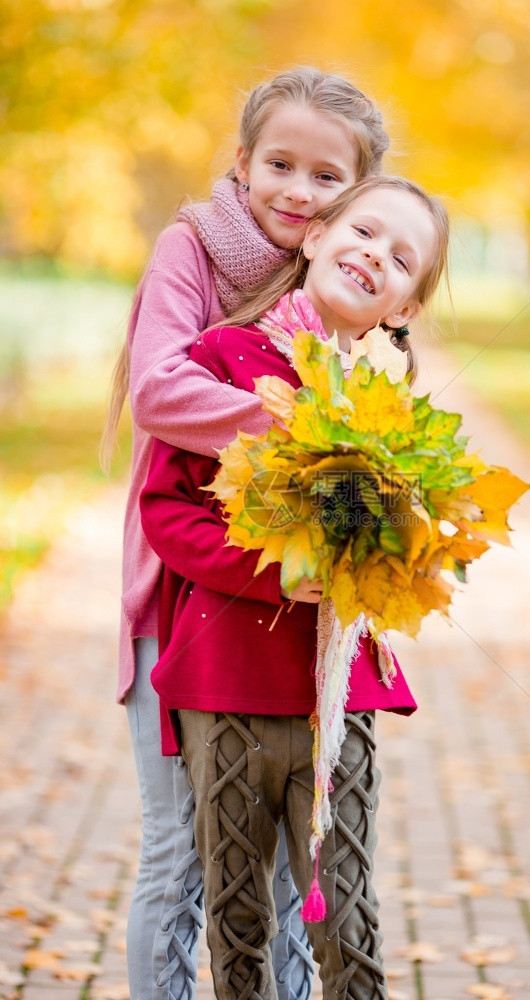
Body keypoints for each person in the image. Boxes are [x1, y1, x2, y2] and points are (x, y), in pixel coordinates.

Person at [101, 67, 390, 1000]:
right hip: (177, 593)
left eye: (326, 178)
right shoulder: (193, 250)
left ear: (360, 191)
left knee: (277, 864)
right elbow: (158, 391)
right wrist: (306, 430)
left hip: (283, 614)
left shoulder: (341, 284)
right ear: (242, 162)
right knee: (177, 849)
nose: (298, 194)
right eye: (280, 165)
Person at [139, 175, 451, 1000]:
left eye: (401, 258)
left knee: (345, 913)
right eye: (365, 232)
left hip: (337, 698)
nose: (375, 255)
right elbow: (168, 512)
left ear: (404, 307)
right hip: (229, 681)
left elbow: (394, 544)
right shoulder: (224, 361)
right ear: (314, 237)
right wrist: (276, 573)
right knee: (238, 918)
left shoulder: (387, 412)